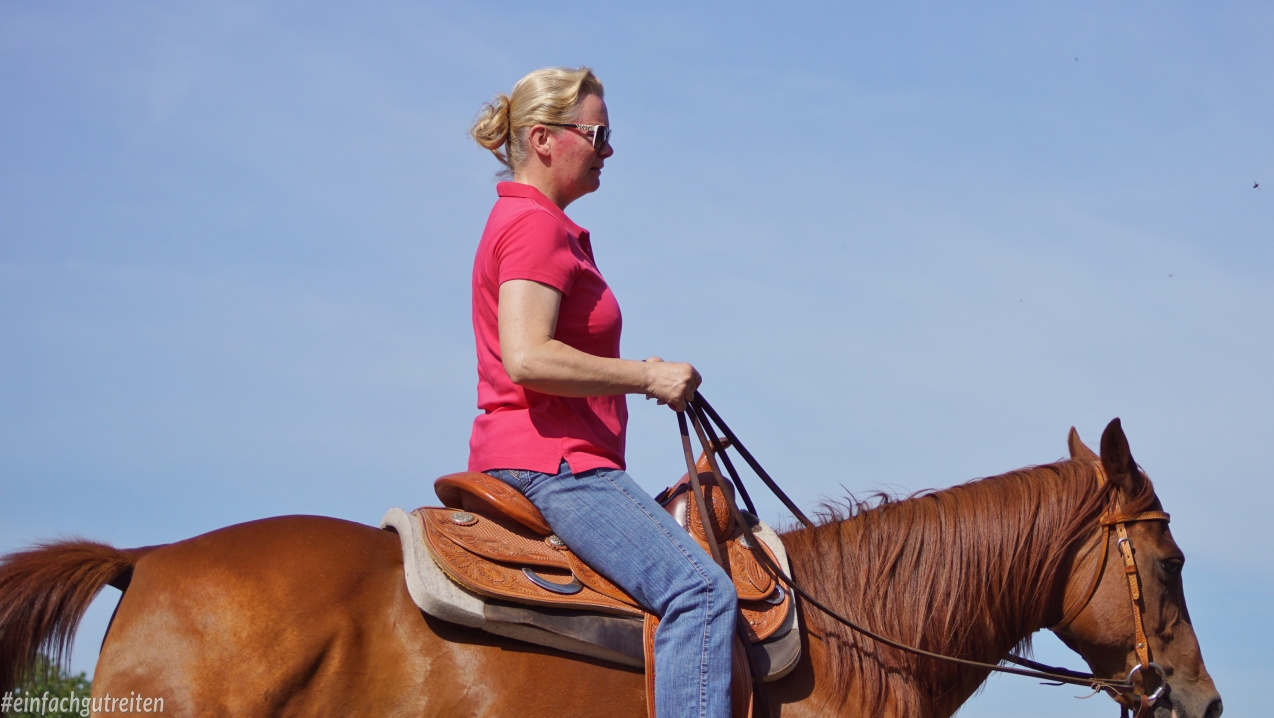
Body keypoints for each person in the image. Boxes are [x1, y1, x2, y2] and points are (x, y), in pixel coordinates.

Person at [466, 67, 736, 718]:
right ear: (543, 138)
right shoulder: (536, 226)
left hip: (535, 455)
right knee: (701, 594)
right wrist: (648, 376)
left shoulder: (527, 221)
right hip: (555, 464)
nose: (609, 150)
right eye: (597, 135)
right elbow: (528, 357)